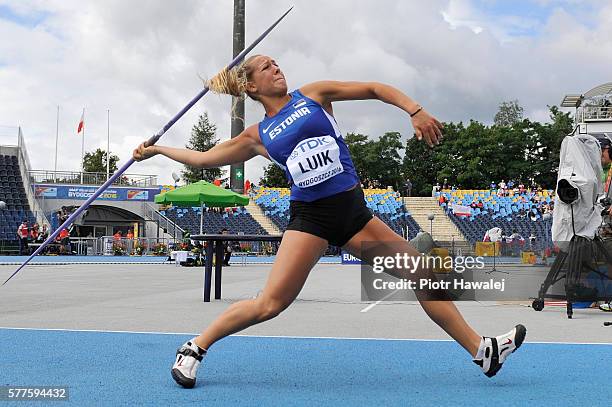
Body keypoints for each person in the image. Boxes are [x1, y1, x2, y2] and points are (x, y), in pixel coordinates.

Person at [133, 54, 526, 388]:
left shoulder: (313, 94)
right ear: (251, 87)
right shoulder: (258, 134)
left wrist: (415, 109)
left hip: (354, 214)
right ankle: (195, 347)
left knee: (423, 276)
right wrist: (157, 151)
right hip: (311, 220)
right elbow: (203, 158)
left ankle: (483, 351)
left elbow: (373, 88)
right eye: (265, 68)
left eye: (275, 63)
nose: (275, 68)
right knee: (270, 304)